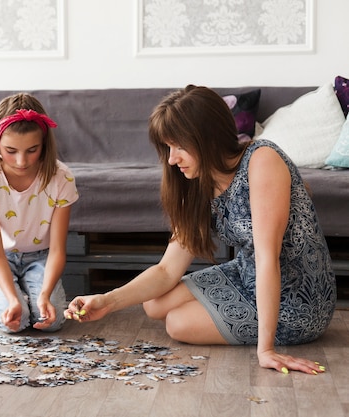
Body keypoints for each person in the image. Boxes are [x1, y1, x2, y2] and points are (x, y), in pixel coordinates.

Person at [65, 85, 336, 375]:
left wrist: (266, 349)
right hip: (248, 274)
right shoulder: (198, 181)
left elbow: (268, 259)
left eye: (179, 146)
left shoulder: (262, 160)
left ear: (209, 138)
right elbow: (167, 271)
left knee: (177, 323)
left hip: (297, 301)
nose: (171, 159)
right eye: (168, 147)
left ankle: (272, 332)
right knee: (154, 305)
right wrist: (107, 300)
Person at [0, 93, 79, 333]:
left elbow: (58, 249)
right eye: (11, 150)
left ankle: (31, 295)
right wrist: (12, 299)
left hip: (41, 255)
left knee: (52, 321)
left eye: (32, 150)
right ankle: (17, 294)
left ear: (44, 144)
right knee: (12, 323)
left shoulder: (62, 178)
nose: (21, 161)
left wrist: (46, 294)